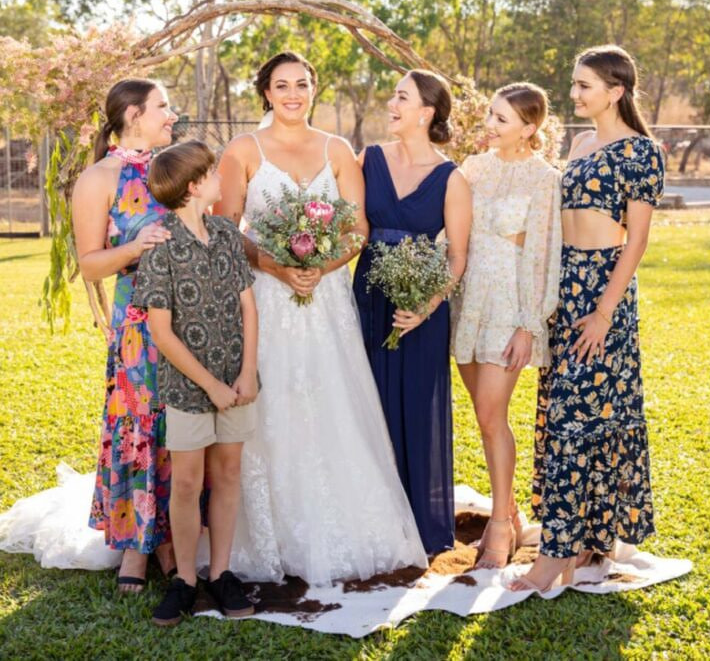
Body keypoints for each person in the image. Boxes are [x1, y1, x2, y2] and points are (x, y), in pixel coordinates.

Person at [215, 51, 427, 585]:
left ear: (315, 88)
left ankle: (350, 525)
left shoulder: (338, 150)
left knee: (332, 400)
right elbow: (225, 230)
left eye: (302, 84)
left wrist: (316, 267)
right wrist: (277, 267)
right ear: (265, 92)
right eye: (282, 85)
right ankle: (269, 536)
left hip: (326, 298)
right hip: (263, 297)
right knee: (274, 403)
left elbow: (357, 230)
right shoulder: (243, 149)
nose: (293, 93)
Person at [509, 45, 664, 592]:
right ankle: (572, 545)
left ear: (616, 91)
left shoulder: (641, 152)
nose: (573, 95)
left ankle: (556, 556)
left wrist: (603, 312)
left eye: (584, 86)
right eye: (574, 84)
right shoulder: (578, 143)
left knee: (586, 416)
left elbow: (637, 240)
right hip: (564, 283)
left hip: (604, 291)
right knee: (561, 412)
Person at [133, 141, 258, 624]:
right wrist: (211, 385)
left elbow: (248, 306)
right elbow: (161, 333)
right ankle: (185, 579)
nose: (220, 178)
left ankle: (220, 573)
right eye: (212, 172)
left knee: (227, 476)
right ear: (193, 187)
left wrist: (246, 372)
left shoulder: (227, 233)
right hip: (190, 388)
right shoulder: (160, 246)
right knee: (187, 483)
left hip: (238, 380)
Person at [351, 69, 472, 555]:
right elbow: (353, 227)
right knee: (366, 402)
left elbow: (457, 256)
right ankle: (368, 518)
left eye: (402, 97)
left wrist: (426, 305)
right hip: (368, 295)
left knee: (416, 406)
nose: (391, 104)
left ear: (426, 112)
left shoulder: (452, 178)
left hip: (422, 304)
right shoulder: (369, 159)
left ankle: (418, 523)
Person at [450, 83, 562, 568]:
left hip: (511, 306)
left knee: (494, 415)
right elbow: (453, 233)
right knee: (483, 415)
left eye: (501, 119)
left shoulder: (544, 179)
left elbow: (542, 256)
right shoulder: (472, 169)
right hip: (468, 300)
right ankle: (511, 513)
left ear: (529, 128)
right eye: (490, 115)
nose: (490, 125)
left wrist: (528, 325)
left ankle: (500, 523)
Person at [73, 78, 178, 592]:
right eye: (163, 106)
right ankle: (135, 545)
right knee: (139, 423)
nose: (172, 115)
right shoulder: (99, 178)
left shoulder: (172, 168)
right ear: (134, 114)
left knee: (180, 428)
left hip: (188, 321)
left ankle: (173, 539)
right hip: (137, 324)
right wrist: (136, 247)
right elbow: (90, 264)